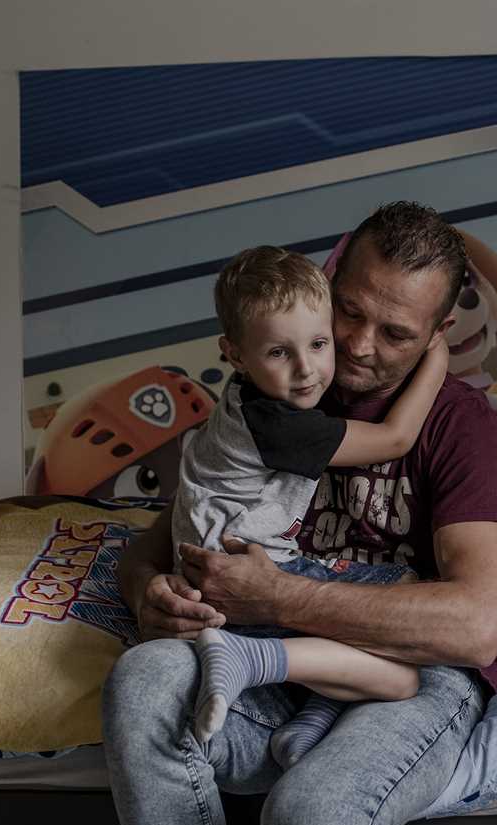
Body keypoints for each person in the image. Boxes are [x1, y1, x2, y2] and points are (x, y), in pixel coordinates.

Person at [102, 201, 497, 825]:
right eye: (349, 310)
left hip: (408, 674)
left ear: (437, 333)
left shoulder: (463, 426)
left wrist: (276, 595)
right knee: (141, 678)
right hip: (265, 670)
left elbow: (476, 625)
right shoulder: (280, 382)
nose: (357, 344)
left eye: (396, 333)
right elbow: (150, 549)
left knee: (306, 816)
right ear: (326, 279)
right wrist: (151, 598)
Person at [171, 244, 452, 758]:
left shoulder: (247, 395)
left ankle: (310, 721)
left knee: (360, 626)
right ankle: (245, 659)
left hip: (220, 557)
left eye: (319, 344)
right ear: (234, 354)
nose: (307, 370)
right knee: (401, 668)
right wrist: (436, 356)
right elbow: (394, 438)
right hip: (240, 572)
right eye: (280, 353)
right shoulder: (277, 423)